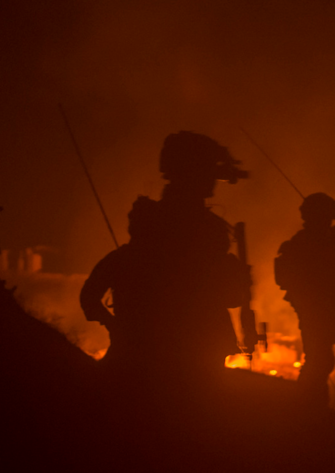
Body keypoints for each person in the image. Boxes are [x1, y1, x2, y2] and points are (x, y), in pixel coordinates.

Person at [80, 131, 251, 383]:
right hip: (195, 366)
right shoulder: (203, 242)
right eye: (208, 174)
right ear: (195, 175)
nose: (213, 183)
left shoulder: (144, 240)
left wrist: (117, 328)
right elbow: (233, 296)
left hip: (141, 360)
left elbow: (90, 297)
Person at [274, 193, 335, 409]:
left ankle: (312, 404)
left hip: (326, 305)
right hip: (314, 307)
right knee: (320, 359)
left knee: (322, 358)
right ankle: (307, 404)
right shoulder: (304, 242)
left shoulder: (324, 238)